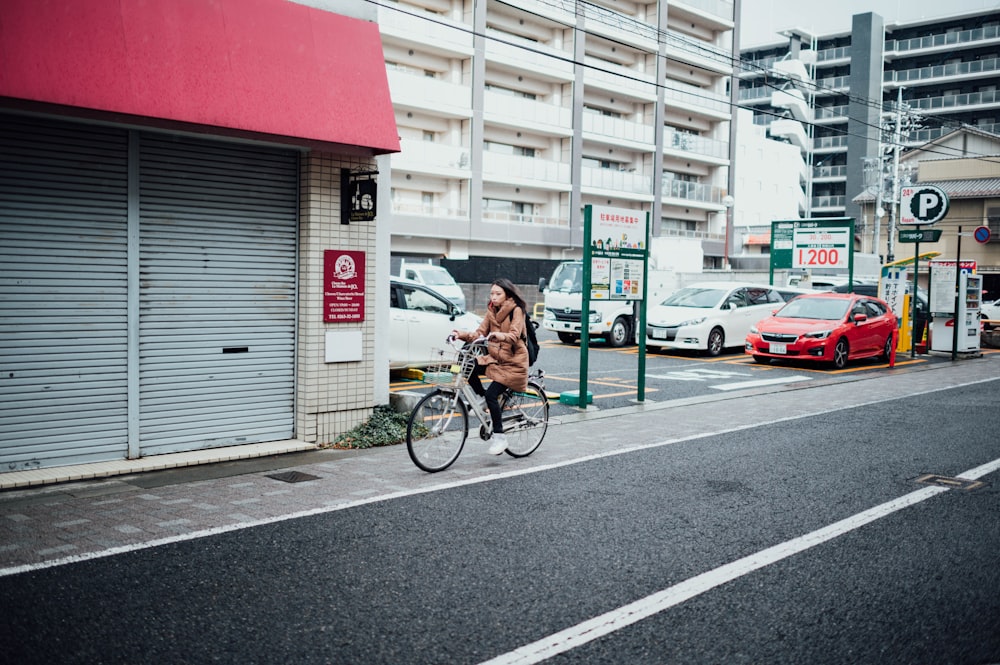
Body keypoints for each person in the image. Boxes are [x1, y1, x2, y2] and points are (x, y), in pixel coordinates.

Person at [452, 278, 530, 455]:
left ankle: (499, 437)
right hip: (496, 359)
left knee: (492, 394)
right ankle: (482, 399)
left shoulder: (516, 310)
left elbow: (514, 335)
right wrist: (461, 334)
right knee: (467, 365)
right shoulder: (491, 310)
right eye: (492, 293)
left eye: (498, 294)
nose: (493, 297)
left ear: (507, 295)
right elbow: (480, 333)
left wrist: (498, 336)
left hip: (514, 363)